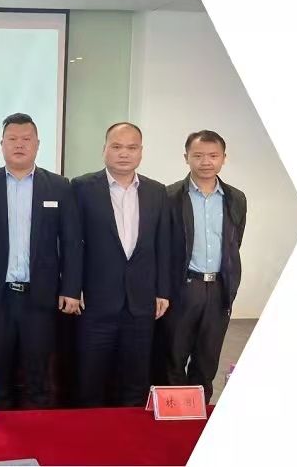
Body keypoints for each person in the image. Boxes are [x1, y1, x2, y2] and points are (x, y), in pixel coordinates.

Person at [0, 113, 83, 409]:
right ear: (2, 144)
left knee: (38, 375)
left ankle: (37, 430)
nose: (19, 145)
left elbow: (71, 242)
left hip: (40, 297)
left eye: (26, 139)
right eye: (12, 139)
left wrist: (71, 288)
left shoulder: (59, 186)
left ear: (37, 144)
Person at [72, 122, 170, 407]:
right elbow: (72, 243)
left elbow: (163, 245)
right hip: (95, 301)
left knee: (136, 381)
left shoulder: (156, 191)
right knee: (90, 379)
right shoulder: (81, 188)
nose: (124, 153)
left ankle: (131, 431)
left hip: (141, 302)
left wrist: (162, 290)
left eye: (131, 147)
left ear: (141, 152)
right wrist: (73, 287)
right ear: (104, 149)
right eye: (116, 146)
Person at [162, 130, 246, 403]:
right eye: (198, 155)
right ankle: (173, 412)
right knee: (173, 355)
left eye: (213, 155)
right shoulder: (170, 196)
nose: (206, 162)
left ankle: (198, 413)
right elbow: (162, 246)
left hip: (219, 288)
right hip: (183, 286)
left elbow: (234, 242)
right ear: (186, 157)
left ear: (224, 158)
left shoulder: (236, 198)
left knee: (207, 358)